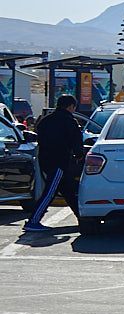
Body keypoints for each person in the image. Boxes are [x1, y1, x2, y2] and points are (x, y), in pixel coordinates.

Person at [24, 95, 84, 232]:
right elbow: (76, 143)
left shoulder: (45, 121)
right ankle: (33, 220)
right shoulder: (69, 121)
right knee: (49, 192)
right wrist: (79, 156)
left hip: (45, 160)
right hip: (59, 162)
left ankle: (82, 217)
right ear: (70, 106)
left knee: (68, 191)